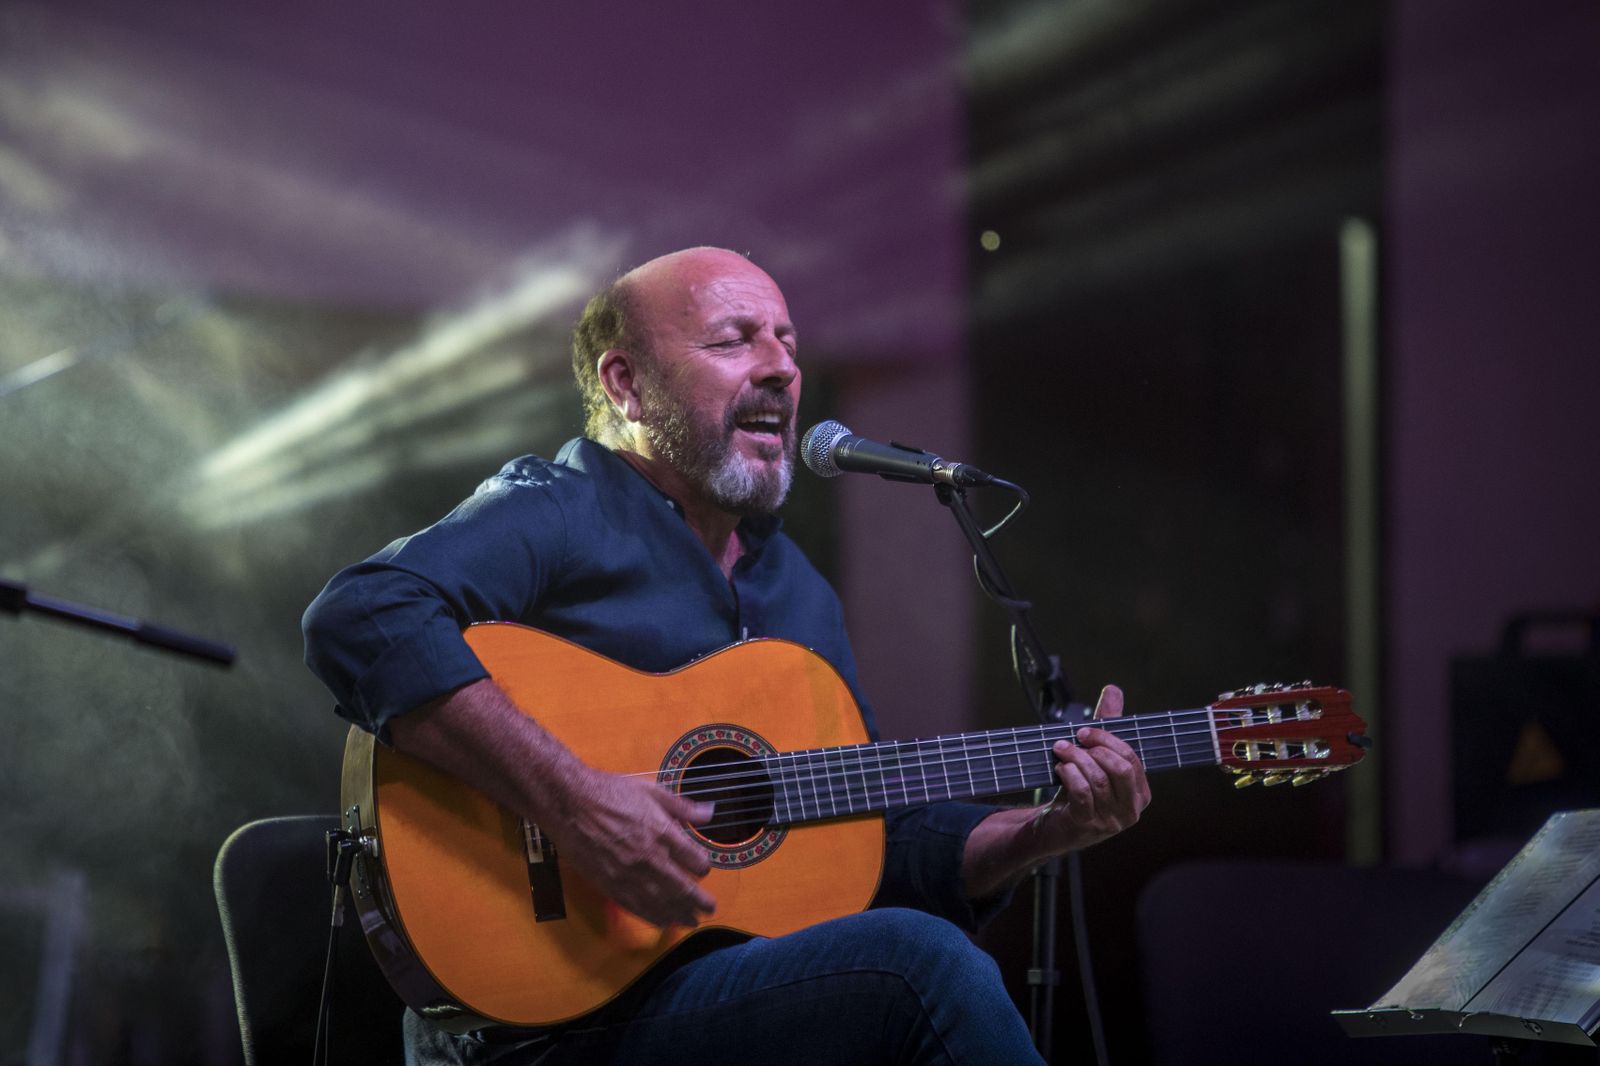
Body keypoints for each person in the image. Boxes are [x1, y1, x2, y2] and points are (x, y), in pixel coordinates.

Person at [303, 247, 1151, 1064]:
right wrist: (575, 801)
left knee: (908, 956)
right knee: (918, 965)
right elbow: (361, 614)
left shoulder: (797, 590)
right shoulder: (562, 510)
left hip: (723, 995)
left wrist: (1041, 831)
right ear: (626, 384)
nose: (782, 367)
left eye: (787, 339)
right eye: (735, 338)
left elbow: (875, 847)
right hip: (537, 1027)